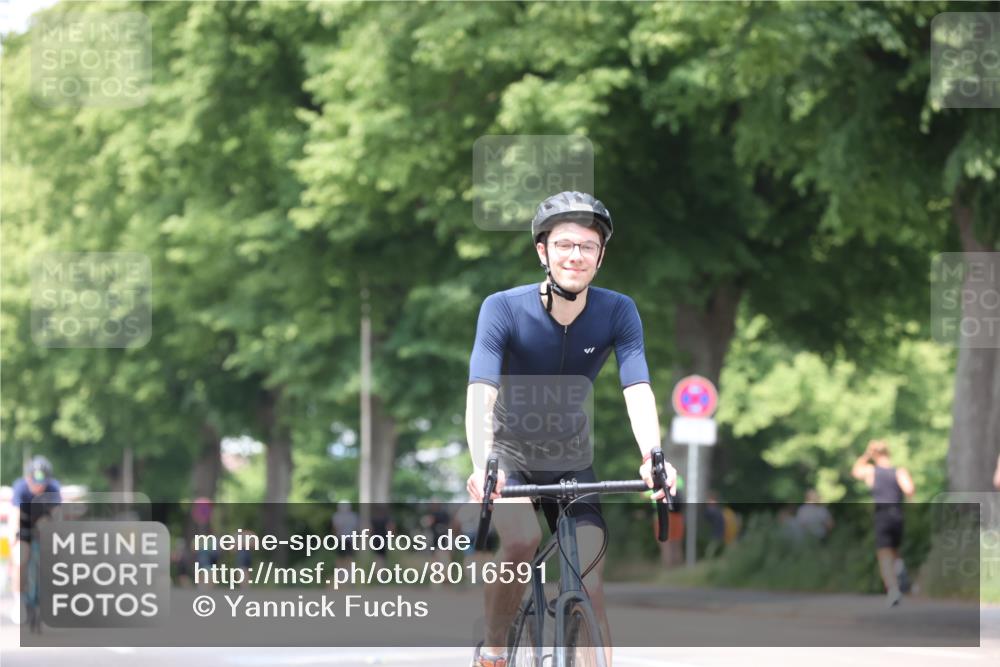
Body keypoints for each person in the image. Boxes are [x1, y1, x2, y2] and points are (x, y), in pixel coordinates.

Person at [465, 191, 677, 667]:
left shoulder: (618, 311)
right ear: (543, 251)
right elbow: (481, 391)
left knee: (590, 582)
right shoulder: (503, 308)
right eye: (564, 244)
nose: (575, 255)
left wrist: (653, 457)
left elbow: (637, 387)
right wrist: (483, 463)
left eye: (587, 246)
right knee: (521, 540)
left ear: (601, 256)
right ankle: (494, 651)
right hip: (510, 456)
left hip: (571, 461)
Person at [851, 439, 915, 607]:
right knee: (895, 550)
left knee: (884, 555)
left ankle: (893, 590)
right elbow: (910, 490)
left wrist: (866, 455)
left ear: (875, 455)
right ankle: (900, 568)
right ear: (888, 453)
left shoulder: (872, 472)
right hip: (898, 514)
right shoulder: (899, 471)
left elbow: (855, 471)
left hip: (882, 515)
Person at [10, 456, 62, 623]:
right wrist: (15, 537)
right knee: (19, 558)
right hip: (23, 523)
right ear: (28, 478)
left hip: (42, 522)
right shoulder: (20, 488)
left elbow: (57, 515)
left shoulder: (53, 488)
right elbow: (15, 515)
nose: (39, 487)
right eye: (35, 482)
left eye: (42, 483)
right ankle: (18, 601)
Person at [332, 500, 359, 567]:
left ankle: (340, 570)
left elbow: (335, 528)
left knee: (341, 556)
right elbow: (356, 529)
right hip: (349, 539)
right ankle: (348, 570)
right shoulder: (353, 516)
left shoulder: (337, 516)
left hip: (341, 538)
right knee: (349, 556)